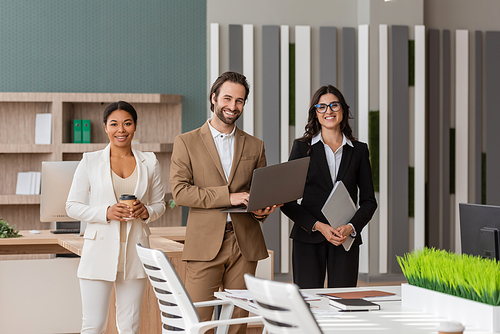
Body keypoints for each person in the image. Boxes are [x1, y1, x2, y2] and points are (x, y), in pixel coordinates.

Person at [170, 71, 279, 334]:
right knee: (198, 321)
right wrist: (227, 197)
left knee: (236, 324)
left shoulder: (255, 145)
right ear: (214, 98)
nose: (233, 106)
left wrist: (263, 209)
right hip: (204, 244)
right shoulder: (186, 142)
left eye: (239, 101)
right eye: (227, 98)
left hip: (244, 245)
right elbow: (180, 192)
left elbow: (257, 194)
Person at [66, 101, 166, 334]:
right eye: (114, 124)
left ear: (135, 126)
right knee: (94, 325)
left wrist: (147, 212)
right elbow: (72, 206)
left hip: (135, 252)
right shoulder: (90, 161)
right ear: (105, 127)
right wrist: (105, 213)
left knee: (130, 327)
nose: (121, 130)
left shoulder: (150, 161)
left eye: (127, 123)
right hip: (98, 252)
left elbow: (160, 204)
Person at [281, 85, 377, 289]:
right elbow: (286, 201)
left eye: (334, 105)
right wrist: (319, 226)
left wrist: (351, 228)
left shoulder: (359, 151)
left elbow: (369, 202)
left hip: (345, 240)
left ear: (343, 110)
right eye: (322, 107)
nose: (328, 111)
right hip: (308, 237)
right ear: (315, 113)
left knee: (344, 304)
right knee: (308, 304)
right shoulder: (302, 148)